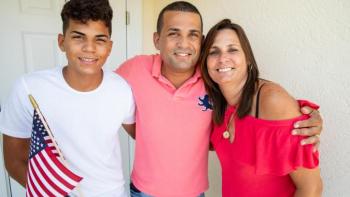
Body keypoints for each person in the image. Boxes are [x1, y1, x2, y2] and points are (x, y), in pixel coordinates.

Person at [116, 1, 323, 197]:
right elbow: (103, 93)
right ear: (156, 39)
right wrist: (145, 132)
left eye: (193, 35)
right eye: (173, 33)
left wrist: (307, 116)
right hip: (143, 190)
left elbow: (310, 185)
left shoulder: (227, 86)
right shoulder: (135, 70)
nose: (183, 43)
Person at [0, 0, 135, 196]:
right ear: (61, 42)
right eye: (78, 37)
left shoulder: (122, 89)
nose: (89, 48)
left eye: (99, 39)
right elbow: (13, 161)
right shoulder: (28, 88)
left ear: (110, 46)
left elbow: (145, 136)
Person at [200, 18, 323, 197]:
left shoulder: (271, 101)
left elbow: (311, 188)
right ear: (205, 62)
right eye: (213, 52)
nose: (222, 59)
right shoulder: (217, 104)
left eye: (232, 49)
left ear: (248, 58)